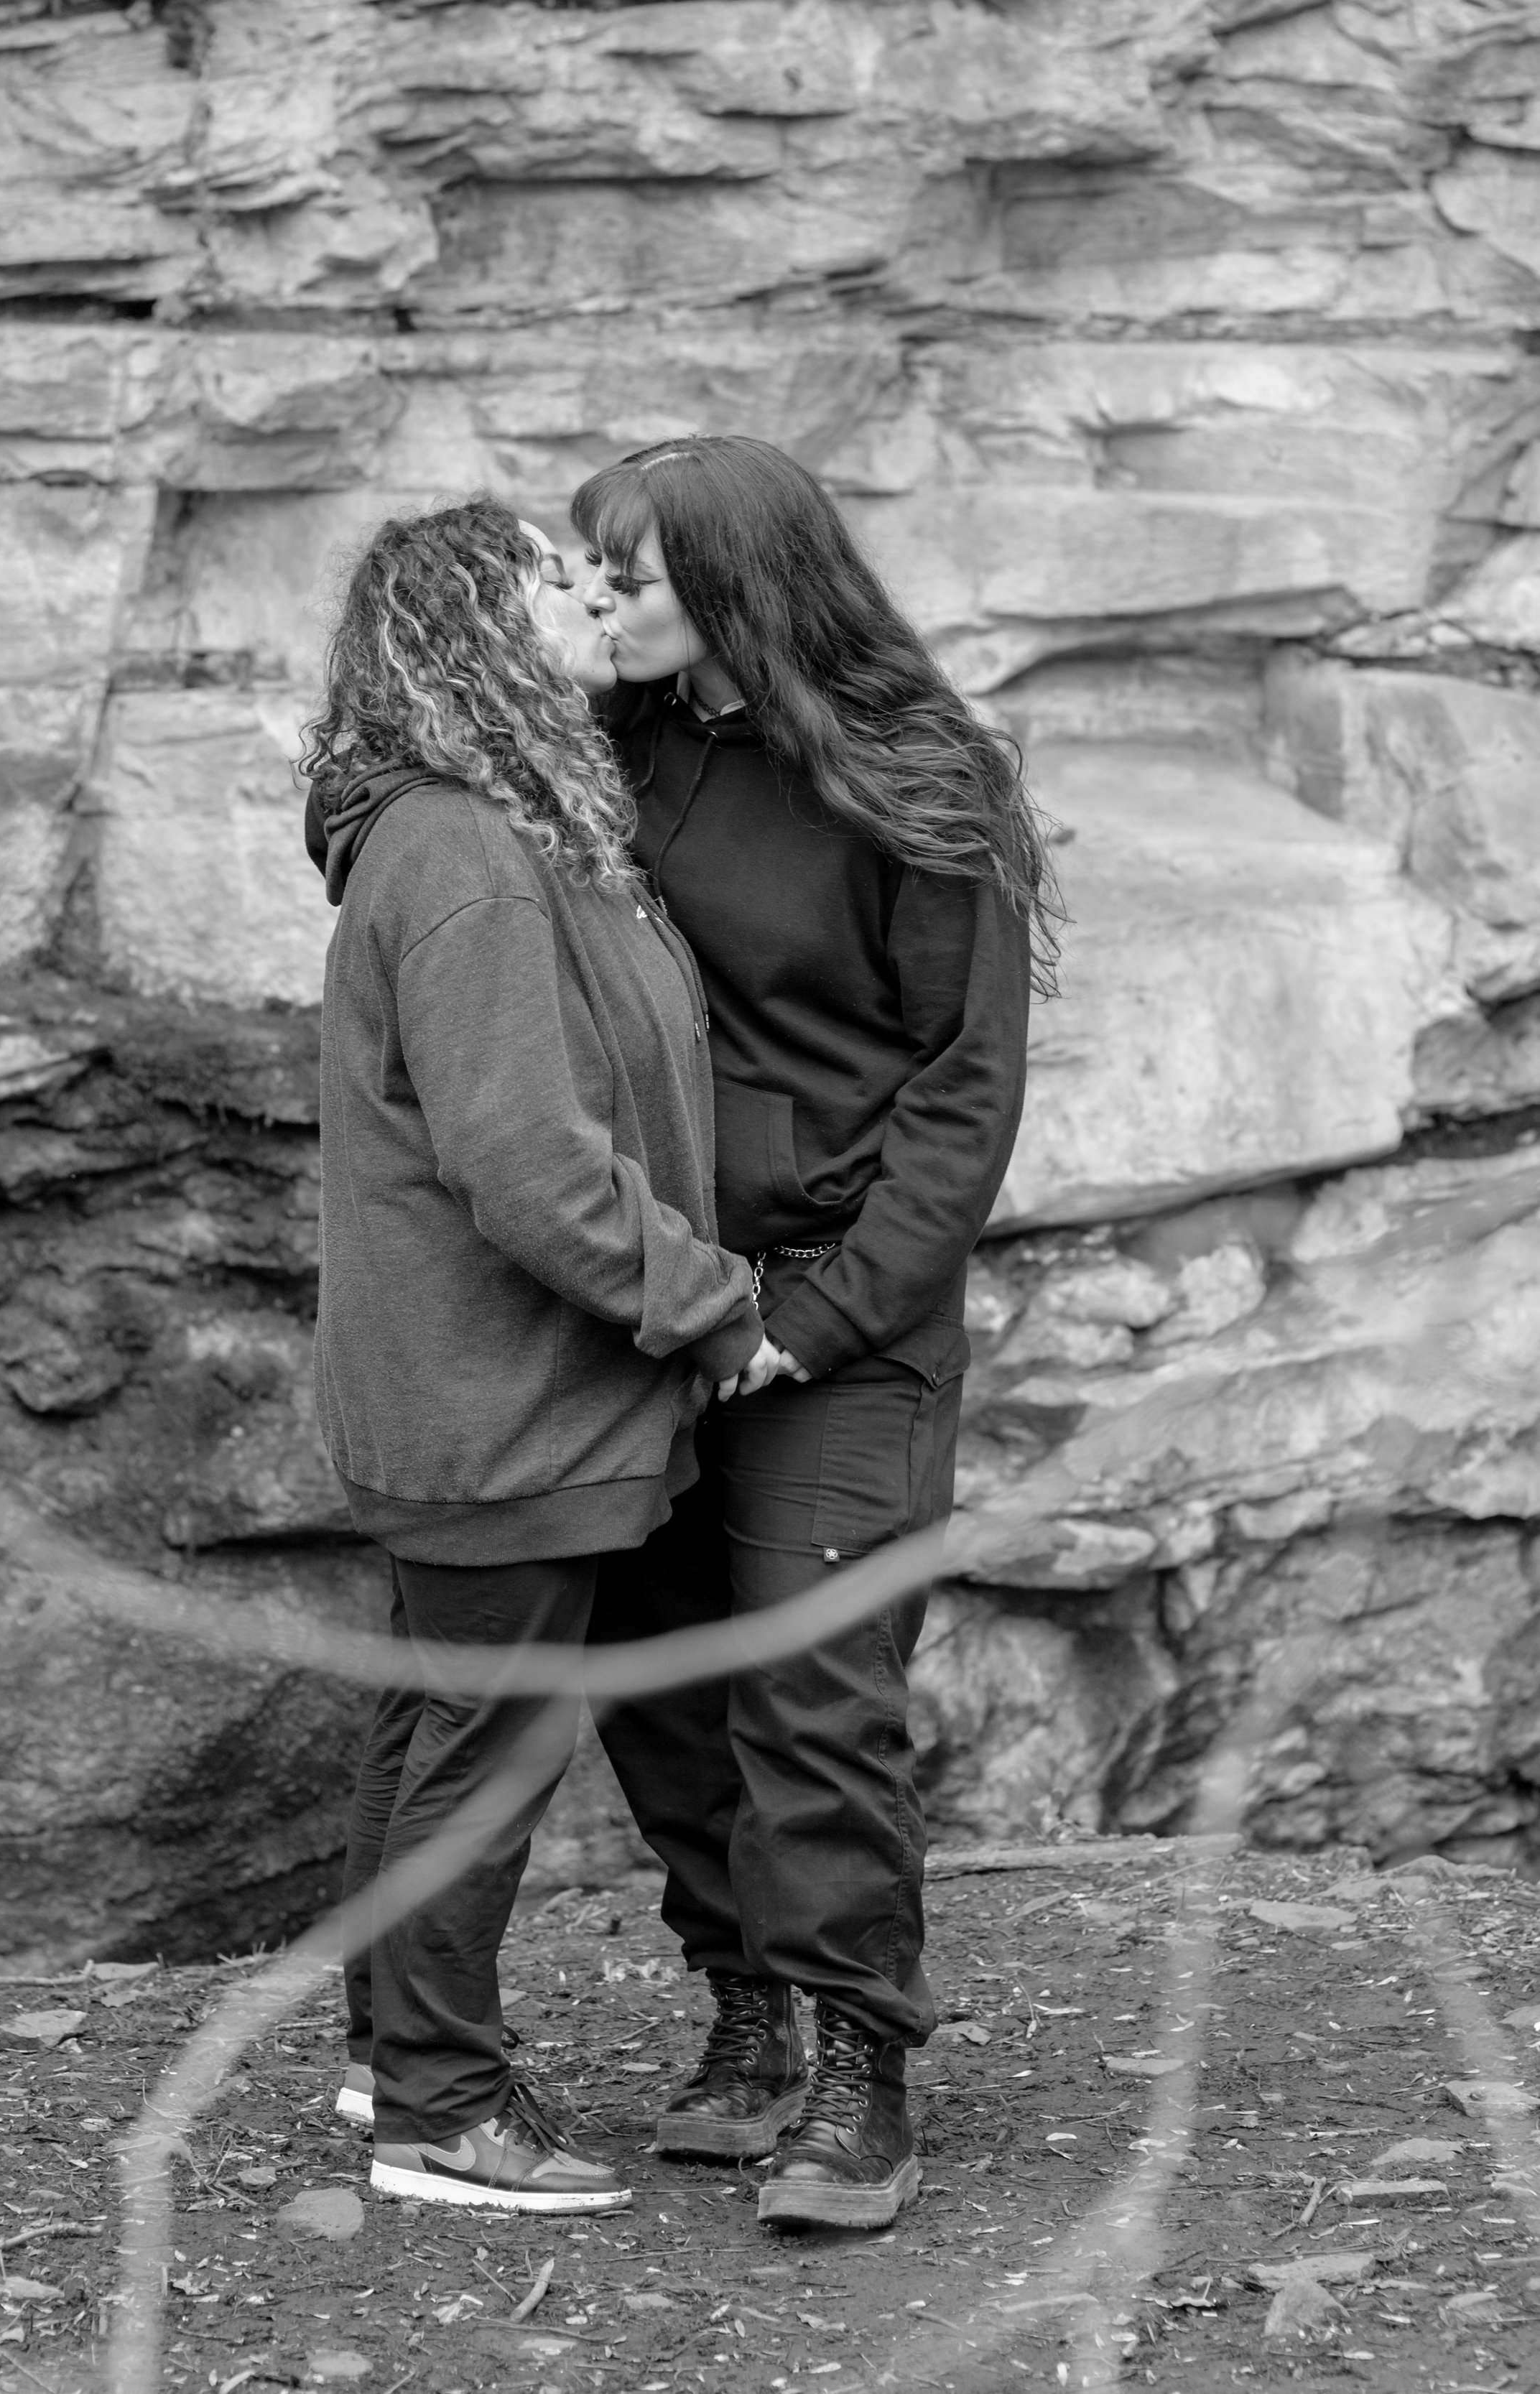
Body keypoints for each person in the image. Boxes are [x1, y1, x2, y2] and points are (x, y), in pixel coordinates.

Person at [572, 435, 1054, 2229]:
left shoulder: (919, 778)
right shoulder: (600, 742)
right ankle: (746, 2009)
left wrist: (817, 1318)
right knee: (652, 1668)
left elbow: (963, 1088)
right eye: (589, 574)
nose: (598, 603)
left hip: (834, 1316)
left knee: (812, 1691)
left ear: (737, 583)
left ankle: (862, 2070)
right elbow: (366, 835)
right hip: (629, 1295)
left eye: (627, 576)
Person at [300, 495, 779, 2215]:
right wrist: (711, 1302)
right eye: (549, 574)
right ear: (470, 635)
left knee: (439, 1723)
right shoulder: (462, 855)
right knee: (482, 1745)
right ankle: (440, 2107)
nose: (588, 588)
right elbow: (529, 1168)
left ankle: (386, 2058)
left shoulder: (491, 826)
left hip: (473, 1387)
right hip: (499, 1391)